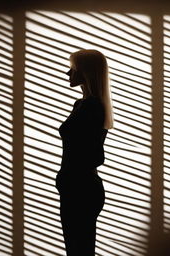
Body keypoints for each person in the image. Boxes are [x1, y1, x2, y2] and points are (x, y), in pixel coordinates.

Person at [55, 49, 113, 255]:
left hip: (81, 189)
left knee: (79, 249)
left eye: (73, 69)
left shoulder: (92, 108)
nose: (67, 73)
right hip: (77, 187)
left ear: (86, 73)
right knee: (77, 248)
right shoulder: (82, 105)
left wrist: (69, 175)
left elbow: (95, 155)